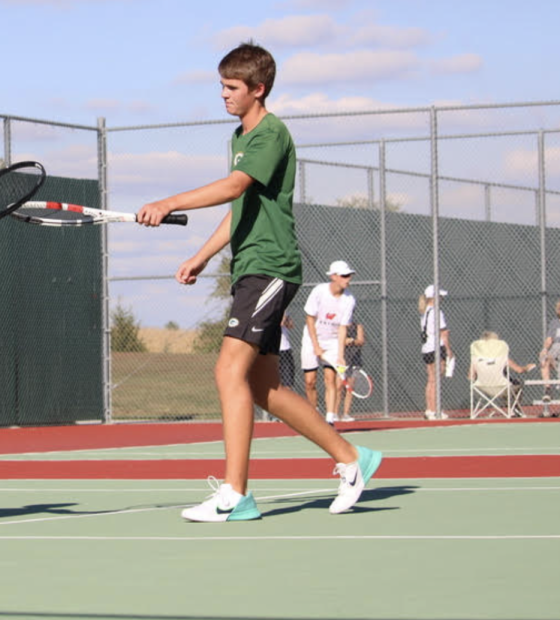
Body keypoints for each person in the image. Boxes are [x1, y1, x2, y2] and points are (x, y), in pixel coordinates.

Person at [136, 42, 381, 522]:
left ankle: (236, 494)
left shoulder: (270, 134)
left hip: (270, 268)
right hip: (249, 267)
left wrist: (169, 202)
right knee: (265, 387)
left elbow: (232, 187)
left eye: (231, 88)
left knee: (228, 371)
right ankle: (353, 459)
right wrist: (202, 255)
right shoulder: (241, 137)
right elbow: (240, 207)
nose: (223, 96)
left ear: (258, 89)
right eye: (221, 87)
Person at [300, 260, 357, 425]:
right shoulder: (319, 292)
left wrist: (340, 356)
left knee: (330, 378)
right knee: (310, 381)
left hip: (332, 341)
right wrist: (316, 346)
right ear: (333, 276)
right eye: (344, 276)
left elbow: (342, 329)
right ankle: (314, 414)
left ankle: (330, 419)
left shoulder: (349, 300)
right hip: (312, 338)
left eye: (349, 275)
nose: (348, 279)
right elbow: (310, 319)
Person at [469, 331, 536, 414]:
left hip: (482, 387)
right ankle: (514, 409)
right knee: (516, 385)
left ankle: (510, 408)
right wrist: (527, 367)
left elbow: (470, 376)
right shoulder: (502, 357)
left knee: (507, 382)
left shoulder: (476, 359)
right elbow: (519, 370)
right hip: (502, 386)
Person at [419, 285, 455, 421]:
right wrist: (448, 350)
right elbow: (443, 333)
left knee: (431, 380)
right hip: (436, 347)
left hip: (427, 348)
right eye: (439, 296)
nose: (441, 299)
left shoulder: (425, 311)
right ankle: (434, 410)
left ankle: (430, 409)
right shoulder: (436, 312)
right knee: (435, 380)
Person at [339, 319, 366, 423]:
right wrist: (343, 341)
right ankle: (335, 413)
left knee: (350, 388)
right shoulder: (339, 325)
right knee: (339, 387)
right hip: (341, 360)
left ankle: (346, 414)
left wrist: (352, 341)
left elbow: (361, 340)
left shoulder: (357, 325)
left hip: (354, 360)